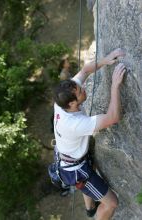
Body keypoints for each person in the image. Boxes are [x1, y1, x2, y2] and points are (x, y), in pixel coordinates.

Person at [53, 48, 126, 220]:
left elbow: (85, 71)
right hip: (76, 170)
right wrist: (115, 86)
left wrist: (106, 59)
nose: (83, 87)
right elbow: (113, 117)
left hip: (70, 155)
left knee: (89, 159)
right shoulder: (75, 124)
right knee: (111, 203)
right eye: (80, 92)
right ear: (72, 103)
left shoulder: (61, 100)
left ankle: (90, 208)